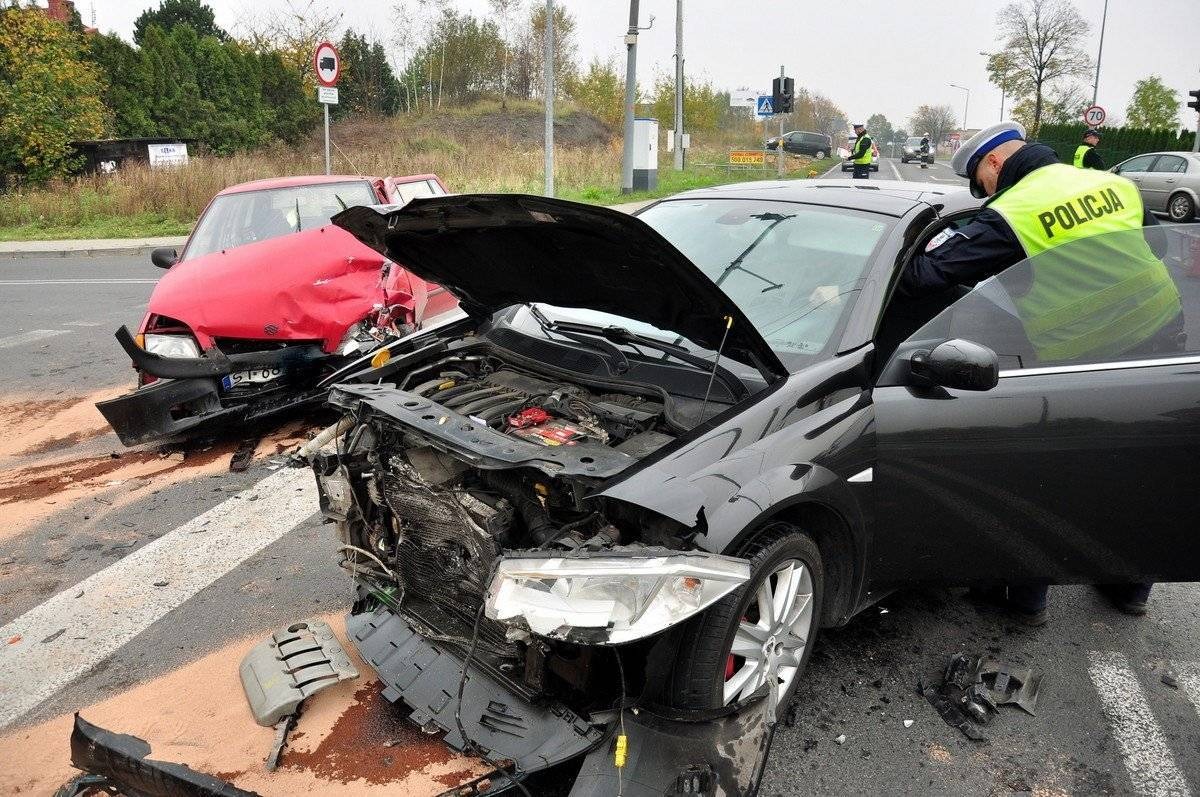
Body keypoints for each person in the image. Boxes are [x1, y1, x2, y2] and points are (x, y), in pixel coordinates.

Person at [898, 121, 1177, 626]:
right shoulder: (1114, 185)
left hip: (1081, 357)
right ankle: (1131, 585)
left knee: (1046, 474)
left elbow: (925, 276)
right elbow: (1156, 248)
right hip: (1163, 342)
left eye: (978, 182)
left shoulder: (1013, 211)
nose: (980, 193)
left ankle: (1023, 598)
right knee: (1141, 469)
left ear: (995, 165)